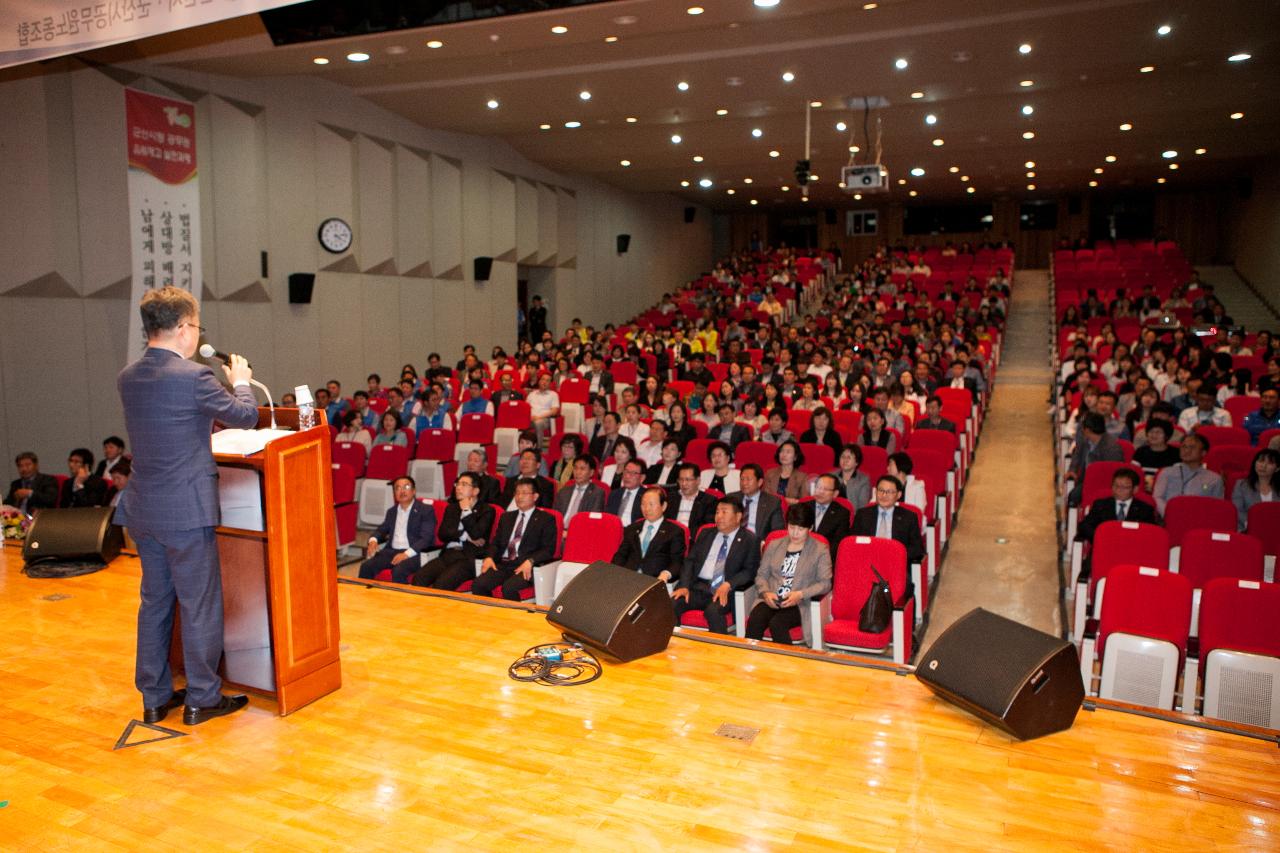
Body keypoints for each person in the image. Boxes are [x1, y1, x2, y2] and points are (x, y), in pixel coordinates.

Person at [115, 286, 261, 725]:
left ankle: (155, 696)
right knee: (199, 604)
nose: (197, 335)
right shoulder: (193, 377)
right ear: (182, 328)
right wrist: (240, 382)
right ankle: (202, 696)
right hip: (187, 510)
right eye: (197, 327)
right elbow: (247, 416)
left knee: (155, 602)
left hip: (144, 508)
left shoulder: (128, 376)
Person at [745, 502, 833, 646]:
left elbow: (825, 583)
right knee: (755, 619)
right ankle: (749, 660)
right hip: (772, 598)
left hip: (799, 602)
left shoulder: (820, 549)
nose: (795, 533)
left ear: (810, 528)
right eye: (791, 527)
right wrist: (766, 593)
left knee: (777, 624)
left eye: (800, 529)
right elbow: (761, 575)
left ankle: (787, 663)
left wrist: (800, 594)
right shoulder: (774, 544)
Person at [671, 495, 761, 635]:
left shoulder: (749, 540)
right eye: (717, 512)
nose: (719, 516)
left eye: (724, 512)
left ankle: (719, 652)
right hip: (698, 587)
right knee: (671, 604)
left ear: (738, 517)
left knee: (713, 612)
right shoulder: (706, 533)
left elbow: (750, 571)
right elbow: (690, 561)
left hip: (724, 591)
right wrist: (684, 585)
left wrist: (729, 584)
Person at [473, 479, 557, 600]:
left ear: (535, 496)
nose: (519, 496)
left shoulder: (546, 519)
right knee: (478, 584)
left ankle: (511, 618)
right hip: (504, 564)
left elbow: (548, 550)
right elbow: (496, 542)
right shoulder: (507, 517)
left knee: (509, 588)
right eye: (517, 493)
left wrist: (531, 561)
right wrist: (489, 557)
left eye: (524, 493)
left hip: (526, 565)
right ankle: (488, 615)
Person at [412, 472, 495, 590]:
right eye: (458, 484)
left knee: (442, 585)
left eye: (464, 484)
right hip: (449, 554)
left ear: (475, 491)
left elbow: (476, 534)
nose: (458, 488)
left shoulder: (487, 510)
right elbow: (443, 534)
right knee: (419, 578)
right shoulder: (452, 508)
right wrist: (464, 536)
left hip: (468, 559)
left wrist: (466, 510)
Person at [359, 476, 437, 584]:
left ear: (413, 491)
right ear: (394, 494)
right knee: (366, 567)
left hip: (415, 553)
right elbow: (382, 529)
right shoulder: (392, 511)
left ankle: (401, 601)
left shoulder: (425, 510)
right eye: (398, 488)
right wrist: (373, 540)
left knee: (399, 571)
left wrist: (406, 554)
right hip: (391, 551)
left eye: (406, 487)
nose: (402, 491)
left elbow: (426, 539)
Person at [613, 487, 687, 581]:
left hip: (656, 580)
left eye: (651, 504)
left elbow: (677, 562)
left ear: (663, 506)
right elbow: (621, 555)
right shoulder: (632, 528)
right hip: (628, 578)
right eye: (643, 504)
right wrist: (614, 572)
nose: (646, 509)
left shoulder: (674, 531)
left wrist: (666, 574)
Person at [850, 475, 926, 566]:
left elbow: (917, 548)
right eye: (881, 490)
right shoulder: (863, 515)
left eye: (889, 492)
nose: (884, 495)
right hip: (867, 564)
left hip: (896, 565)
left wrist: (894, 555)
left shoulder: (909, 517)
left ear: (898, 495)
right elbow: (853, 542)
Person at [1075, 469, 1160, 544]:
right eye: (1116, 486)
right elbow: (1084, 526)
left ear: (1135, 489)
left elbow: (1152, 532)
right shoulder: (1101, 505)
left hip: (1133, 550)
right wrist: (1100, 537)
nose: (1119, 490)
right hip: (1104, 548)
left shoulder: (1145, 509)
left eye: (1125, 487)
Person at [1151, 432, 1224, 515]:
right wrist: (1170, 515)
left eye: (1192, 447)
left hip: (1199, 521)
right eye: (1184, 447)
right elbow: (1157, 498)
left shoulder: (1214, 479)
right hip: (1167, 519)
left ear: (1203, 452)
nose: (1186, 450)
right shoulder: (1167, 472)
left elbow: (1216, 506)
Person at [730, 463, 784, 538]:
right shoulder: (731, 498)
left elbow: (777, 531)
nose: (744, 483)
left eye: (748, 479)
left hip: (757, 544)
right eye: (742, 479)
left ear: (760, 482)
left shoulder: (772, 503)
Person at [1231, 448, 1280, 531]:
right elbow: (1238, 511)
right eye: (1261, 461)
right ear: (1255, 463)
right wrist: (1256, 525)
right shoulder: (1242, 485)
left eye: (1270, 463)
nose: (1263, 466)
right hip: (1248, 529)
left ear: (1277, 469)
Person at [554, 454, 607, 527]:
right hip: (560, 530)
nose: (578, 472)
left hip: (581, 531)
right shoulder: (564, 491)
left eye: (582, 469)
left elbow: (593, 521)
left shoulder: (597, 493)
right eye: (575, 468)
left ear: (591, 472)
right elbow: (555, 515)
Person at [809, 473, 851, 559]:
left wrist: (821, 559)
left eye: (825, 489)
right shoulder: (802, 507)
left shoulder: (842, 513)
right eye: (818, 487)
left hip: (826, 558)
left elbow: (838, 543)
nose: (820, 491)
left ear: (835, 493)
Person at [666, 462, 718, 532]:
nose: (684, 483)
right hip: (670, 537)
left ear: (698, 480)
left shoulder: (709, 501)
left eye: (688, 480)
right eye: (681, 480)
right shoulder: (670, 498)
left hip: (693, 539)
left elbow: (707, 528)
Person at [604, 459, 647, 524]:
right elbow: (607, 518)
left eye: (633, 473)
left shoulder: (646, 496)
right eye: (626, 471)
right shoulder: (614, 494)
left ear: (642, 478)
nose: (627, 476)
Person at [527, 372, 561, 447]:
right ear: (539, 381)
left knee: (538, 423)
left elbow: (554, 411)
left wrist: (539, 417)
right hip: (530, 418)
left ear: (550, 383)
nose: (544, 382)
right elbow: (526, 408)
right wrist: (530, 417)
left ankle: (538, 449)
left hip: (545, 420)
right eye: (543, 379)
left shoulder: (553, 394)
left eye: (547, 380)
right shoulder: (532, 394)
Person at [832, 444, 872, 509]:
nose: (845, 460)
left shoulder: (863, 480)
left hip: (853, 515)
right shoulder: (831, 476)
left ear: (856, 462)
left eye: (849, 457)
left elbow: (863, 506)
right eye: (843, 457)